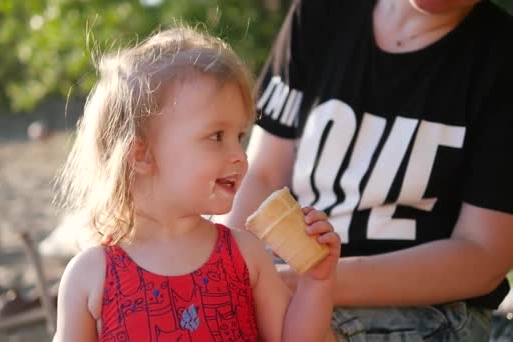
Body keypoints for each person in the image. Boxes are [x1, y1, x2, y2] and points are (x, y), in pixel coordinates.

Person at [216, 0, 513, 340]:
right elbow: (262, 176)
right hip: (290, 275)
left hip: (428, 308)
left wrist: (301, 283)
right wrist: (226, 272)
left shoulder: (502, 58)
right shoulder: (320, 12)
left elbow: (482, 257)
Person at [52, 27, 341, 341]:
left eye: (240, 137)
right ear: (142, 155)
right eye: (216, 136)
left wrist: (316, 281)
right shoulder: (92, 274)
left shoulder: (244, 256)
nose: (240, 156)